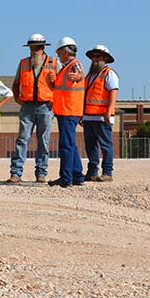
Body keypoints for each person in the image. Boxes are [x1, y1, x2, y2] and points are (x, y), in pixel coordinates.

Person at [8, 33, 60, 183]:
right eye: (32, 48)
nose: (34, 50)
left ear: (43, 48)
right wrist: (19, 100)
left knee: (44, 140)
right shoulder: (23, 63)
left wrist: (54, 82)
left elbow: (62, 86)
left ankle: (41, 173)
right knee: (22, 139)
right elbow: (16, 83)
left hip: (46, 106)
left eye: (37, 47)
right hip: (27, 106)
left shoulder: (54, 63)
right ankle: (16, 173)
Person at [49, 36, 85, 188]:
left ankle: (66, 178)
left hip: (68, 110)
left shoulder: (74, 65)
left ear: (65, 51)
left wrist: (78, 76)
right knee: (71, 145)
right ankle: (77, 175)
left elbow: (80, 75)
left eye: (59, 51)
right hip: (68, 110)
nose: (57, 55)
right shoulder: (67, 67)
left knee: (66, 145)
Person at [82, 44, 119, 182]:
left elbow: (113, 91)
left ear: (105, 58)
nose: (95, 59)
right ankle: (92, 172)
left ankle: (107, 172)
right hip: (88, 116)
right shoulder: (90, 75)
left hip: (102, 116)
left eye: (98, 56)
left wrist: (109, 111)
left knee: (105, 145)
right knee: (90, 146)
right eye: (93, 57)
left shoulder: (109, 73)